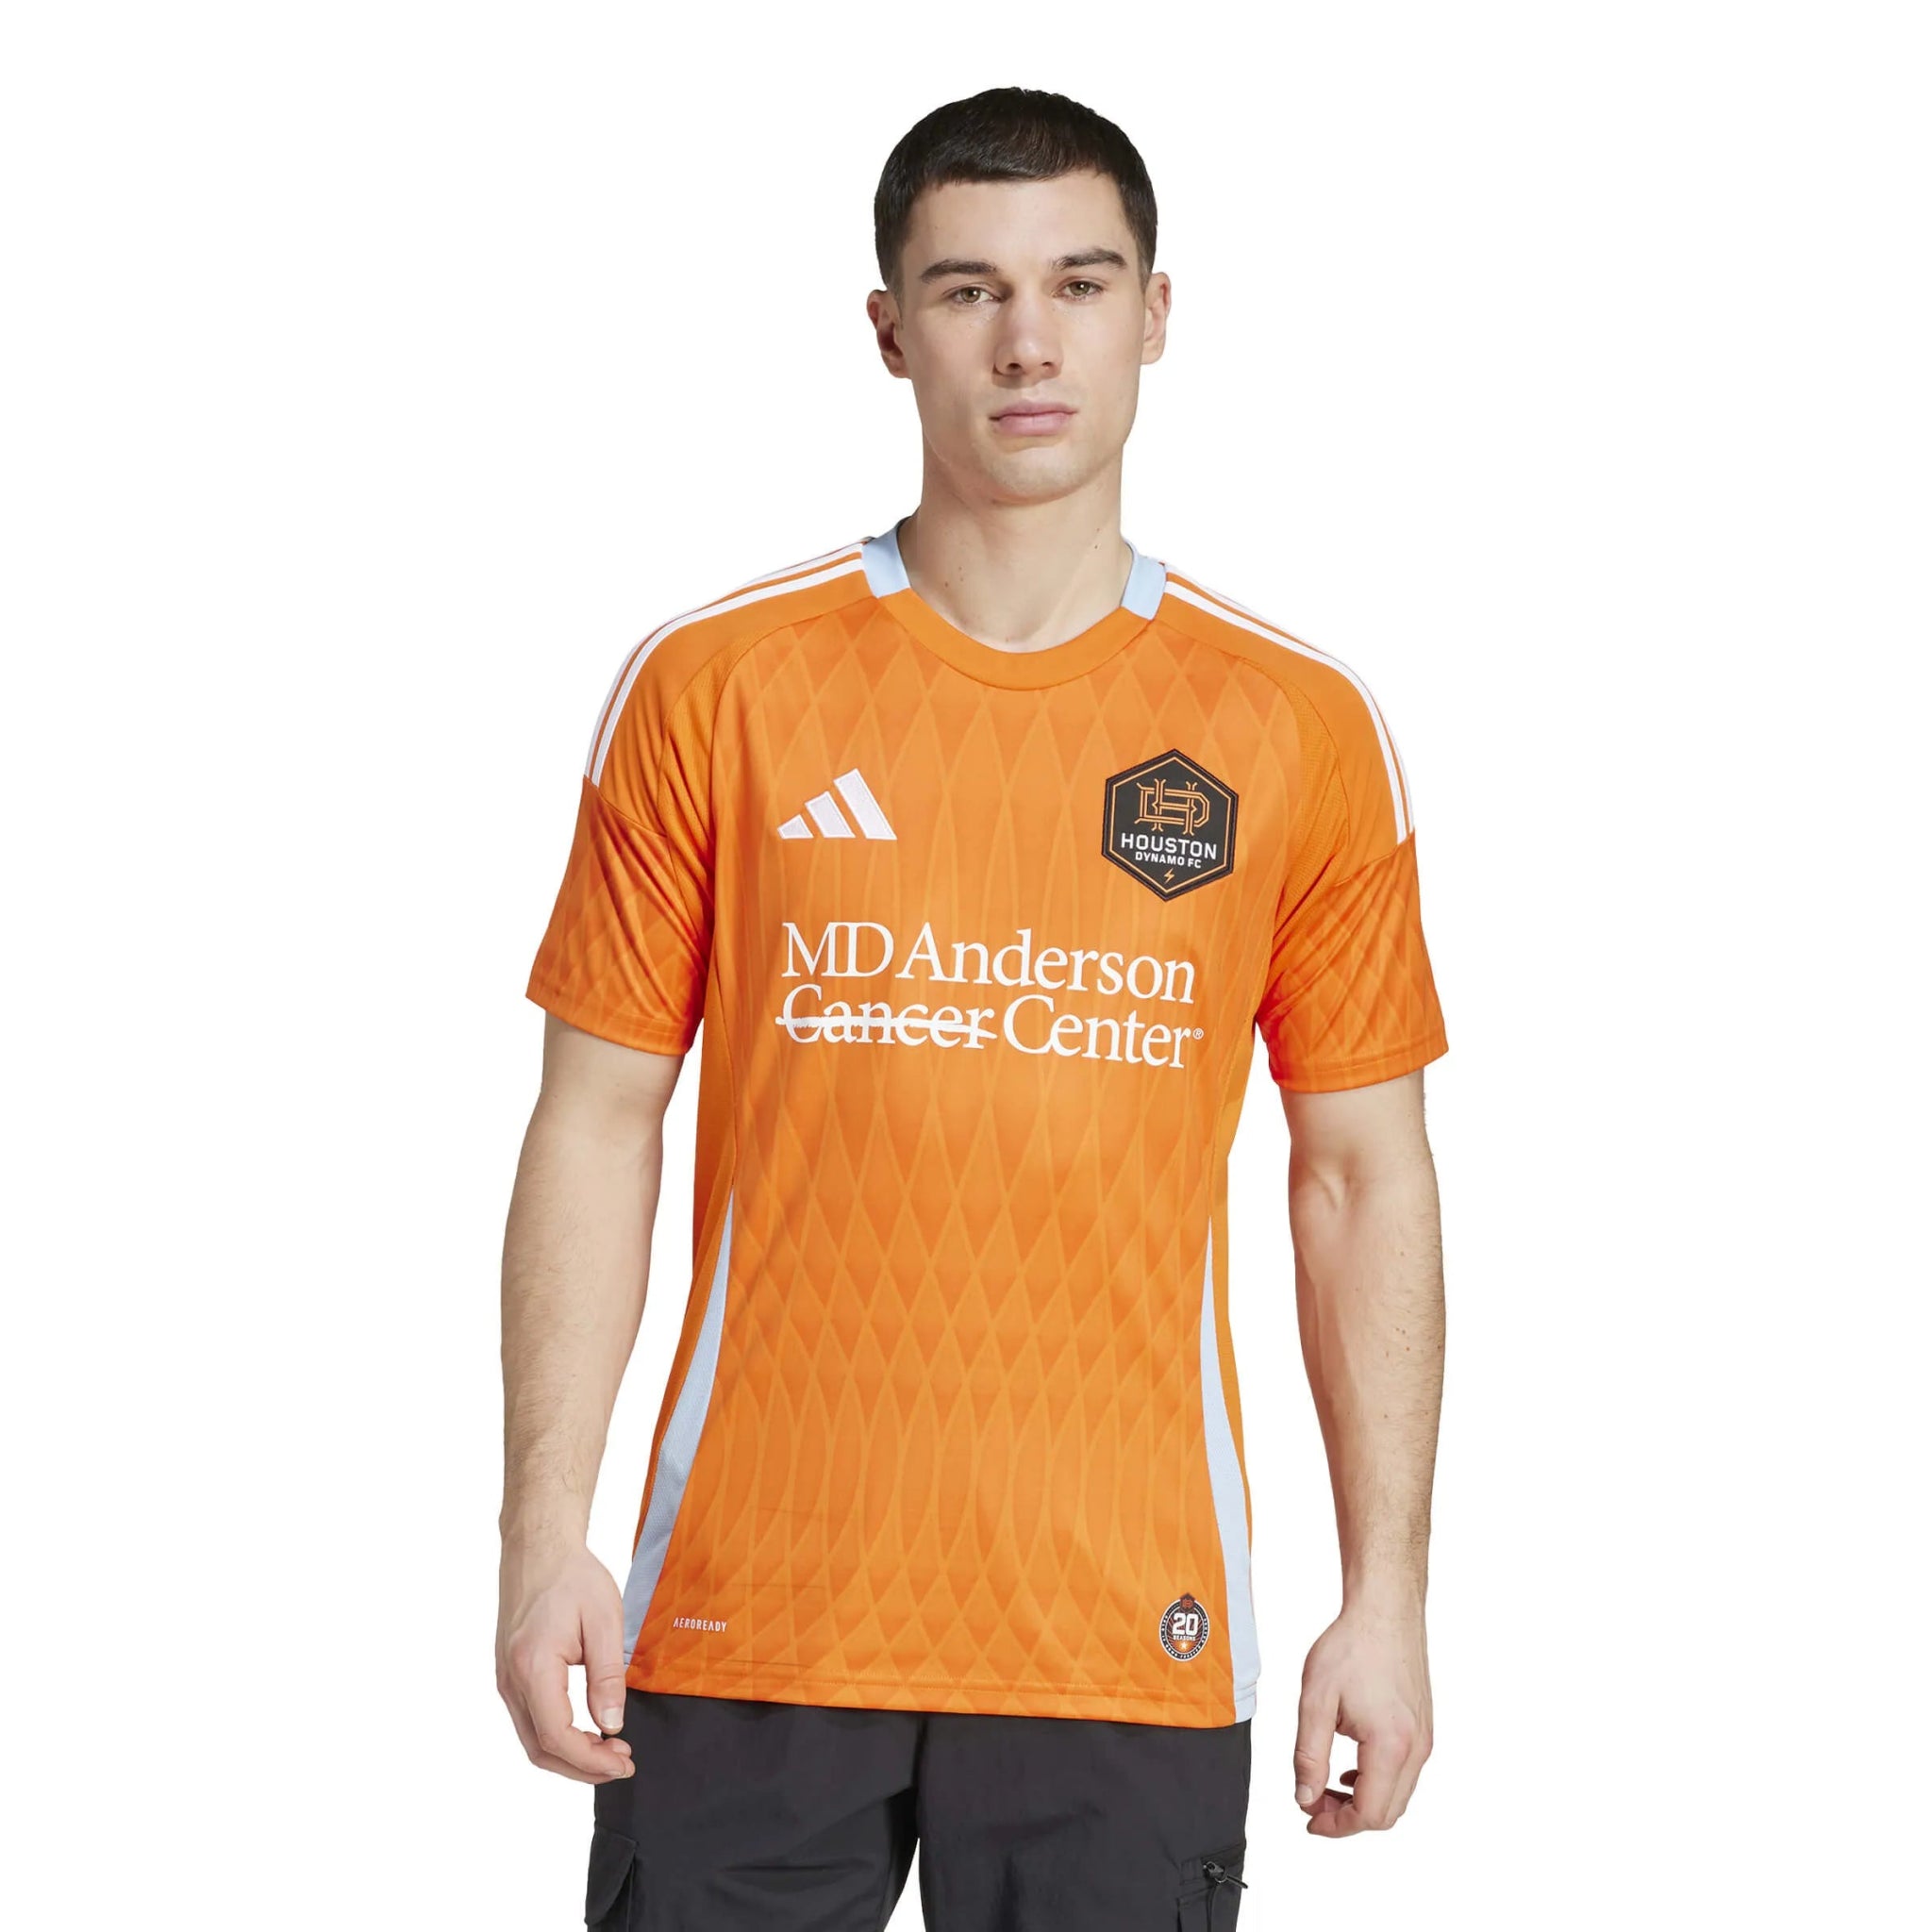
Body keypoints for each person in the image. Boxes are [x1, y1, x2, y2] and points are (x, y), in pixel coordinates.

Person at [497, 85, 1448, 1932]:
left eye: (1079, 284)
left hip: (1125, 1628)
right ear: (889, 330)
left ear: (1154, 315)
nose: (1027, 341)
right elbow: (596, 1121)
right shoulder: (716, 685)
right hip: (750, 1612)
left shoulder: (1297, 728)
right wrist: (545, 1538)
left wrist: (1387, 1593)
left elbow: (1362, 1175)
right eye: (967, 290)